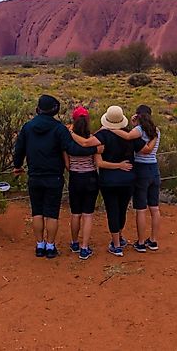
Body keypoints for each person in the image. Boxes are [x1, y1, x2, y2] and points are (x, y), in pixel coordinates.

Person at [13, 95, 98, 259]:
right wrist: (94, 150)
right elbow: (72, 149)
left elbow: (19, 149)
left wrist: (17, 166)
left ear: (38, 109)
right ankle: (50, 246)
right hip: (54, 177)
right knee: (51, 213)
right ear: (55, 111)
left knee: (37, 211)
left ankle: (39, 245)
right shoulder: (59, 129)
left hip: (35, 175)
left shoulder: (28, 127)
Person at [90, 105, 147, 257]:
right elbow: (145, 148)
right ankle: (119, 237)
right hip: (128, 179)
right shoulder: (129, 135)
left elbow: (98, 161)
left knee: (112, 210)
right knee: (122, 209)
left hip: (108, 180)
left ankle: (116, 245)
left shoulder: (101, 136)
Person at [108, 105, 161, 252]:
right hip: (154, 168)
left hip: (141, 169)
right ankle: (154, 240)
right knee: (155, 208)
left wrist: (111, 129)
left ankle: (141, 242)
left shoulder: (138, 130)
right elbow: (148, 148)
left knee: (140, 208)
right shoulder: (156, 131)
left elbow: (127, 136)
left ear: (137, 115)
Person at [62, 106, 99, 260]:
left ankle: (75, 242)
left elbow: (68, 166)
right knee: (88, 214)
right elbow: (97, 163)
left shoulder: (68, 141)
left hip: (75, 178)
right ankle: (84, 248)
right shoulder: (93, 140)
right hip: (90, 177)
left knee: (75, 213)